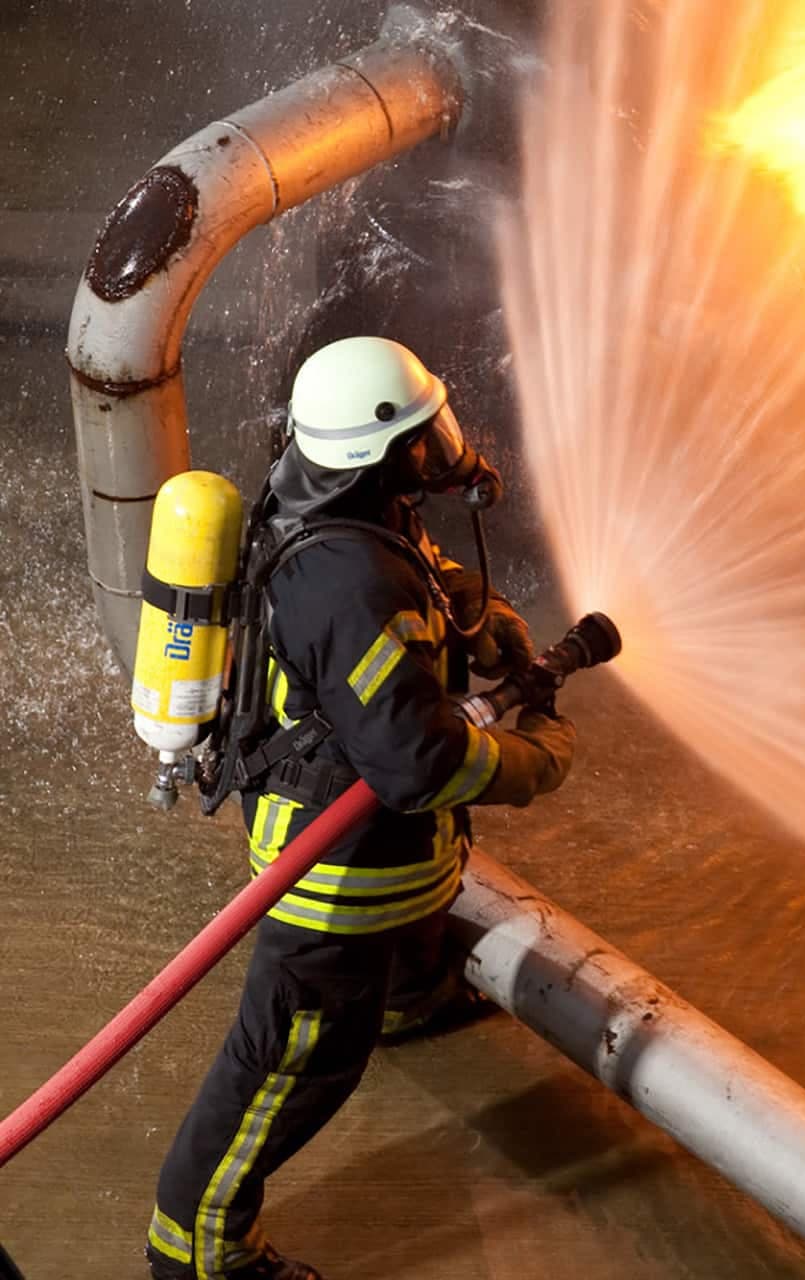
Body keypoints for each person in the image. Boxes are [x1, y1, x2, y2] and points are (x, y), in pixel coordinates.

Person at [144, 337, 577, 1280]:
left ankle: (412, 996)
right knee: (289, 1068)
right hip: (335, 879)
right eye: (428, 436)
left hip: (378, 860)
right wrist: (531, 761)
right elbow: (415, 761)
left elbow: (394, 583)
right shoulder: (346, 580)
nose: (447, 450)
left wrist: (463, 606)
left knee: (389, 963)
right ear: (386, 450)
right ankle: (198, 1248)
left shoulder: (328, 493)